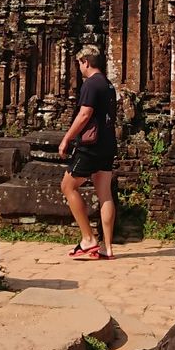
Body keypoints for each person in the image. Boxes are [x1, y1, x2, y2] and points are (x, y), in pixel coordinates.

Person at [58, 45, 117, 260]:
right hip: (108, 144)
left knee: (67, 186)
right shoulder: (108, 85)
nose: (79, 68)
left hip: (90, 146)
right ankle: (107, 248)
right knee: (105, 194)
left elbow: (84, 115)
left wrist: (66, 138)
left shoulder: (91, 84)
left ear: (86, 62)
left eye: (80, 64)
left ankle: (88, 238)